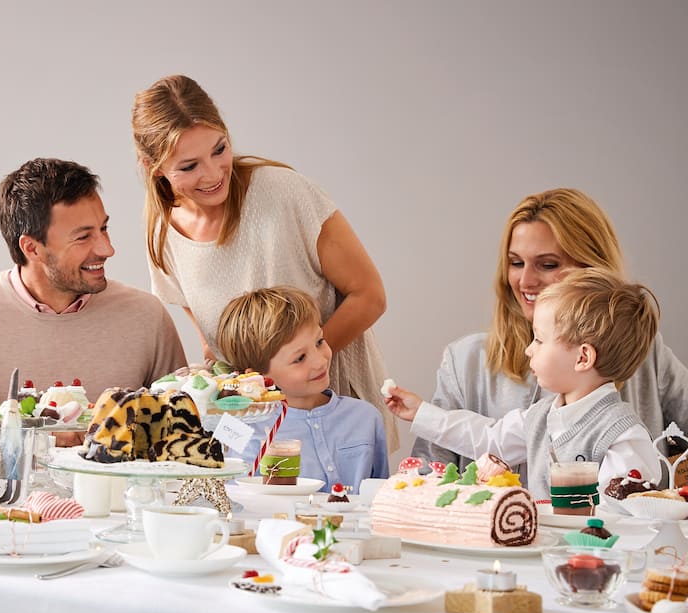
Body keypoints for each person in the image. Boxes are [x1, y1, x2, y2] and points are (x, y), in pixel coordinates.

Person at [131, 74, 396, 451]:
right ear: (153, 167)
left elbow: (369, 296)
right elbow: (214, 347)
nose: (212, 174)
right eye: (189, 166)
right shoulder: (163, 234)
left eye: (219, 149)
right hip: (254, 431)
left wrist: (301, 365)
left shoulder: (284, 194)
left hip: (332, 410)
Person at [413, 188, 688, 469]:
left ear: (592, 271)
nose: (525, 281)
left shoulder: (646, 356)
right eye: (516, 263)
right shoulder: (464, 362)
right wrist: (420, 414)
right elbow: (431, 469)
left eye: (547, 264)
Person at [0, 157, 186, 413]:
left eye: (104, 228)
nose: (107, 249)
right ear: (32, 248)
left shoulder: (147, 316)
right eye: (83, 237)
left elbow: (185, 425)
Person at [385, 268, 664, 499]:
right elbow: (488, 438)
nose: (529, 349)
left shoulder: (622, 436)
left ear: (583, 357)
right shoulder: (541, 416)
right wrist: (421, 412)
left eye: (539, 340)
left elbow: (622, 519)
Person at [215, 286, 388, 492]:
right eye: (299, 358)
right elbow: (236, 499)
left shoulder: (365, 418)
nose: (319, 361)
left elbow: (381, 496)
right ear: (259, 377)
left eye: (319, 342)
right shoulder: (243, 426)